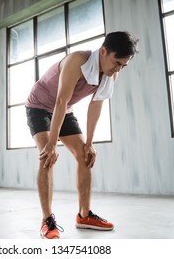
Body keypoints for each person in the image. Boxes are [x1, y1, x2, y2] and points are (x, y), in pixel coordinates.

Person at [25, 31, 139, 239]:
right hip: (40, 106)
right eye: (116, 62)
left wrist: (89, 143)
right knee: (46, 157)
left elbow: (96, 105)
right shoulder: (77, 60)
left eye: (123, 65)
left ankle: (84, 215)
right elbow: (60, 100)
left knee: (85, 156)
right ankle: (47, 220)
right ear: (103, 51)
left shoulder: (112, 72)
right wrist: (51, 143)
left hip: (64, 109)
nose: (118, 69)